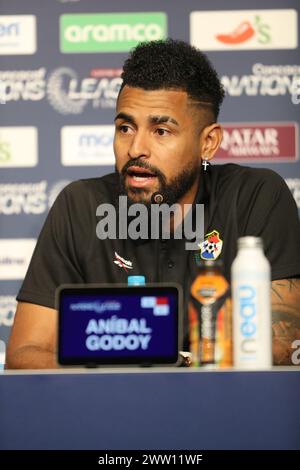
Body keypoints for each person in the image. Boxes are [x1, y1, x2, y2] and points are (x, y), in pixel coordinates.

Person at [6, 39, 300, 369]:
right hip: (110, 412)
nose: (136, 148)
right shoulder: (80, 206)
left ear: (208, 142)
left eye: (161, 131)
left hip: (227, 412)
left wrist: (179, 364)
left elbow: (284, 345)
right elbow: (24, 355)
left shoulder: (256, 197)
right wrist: (133, 374)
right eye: (125, 127)